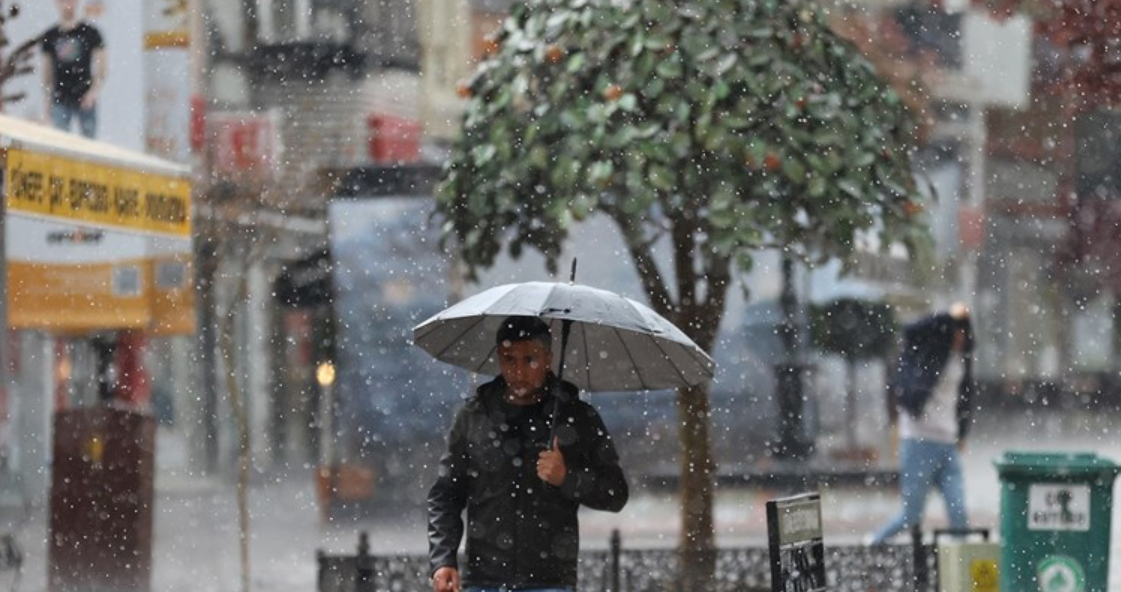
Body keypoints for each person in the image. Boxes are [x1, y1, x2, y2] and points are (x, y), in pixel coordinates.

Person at [428, 315, 629, 592]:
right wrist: (442, 559)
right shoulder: (474, 416)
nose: (519, 372)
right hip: (484, 580)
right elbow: (446, 495)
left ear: (548, 359)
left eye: (530, 360)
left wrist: (566, 477)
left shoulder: (577, 417)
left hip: (550, 581)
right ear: (499, 358)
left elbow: (615, 493)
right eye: (510, 360)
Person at [869, 303, 974, 545]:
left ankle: (962, 573)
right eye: (956, 332)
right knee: (911, 515)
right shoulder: (928, 351)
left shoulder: (963, 359)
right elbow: (910, 329)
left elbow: (966, 399)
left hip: (947, 443)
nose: (960, 337)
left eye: (963, 332)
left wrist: (963, 433)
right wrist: (948, 315)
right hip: (919, 441)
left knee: (958, 513)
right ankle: (872, 545)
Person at [41, 0, 106, 138]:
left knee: (89, 144)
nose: (67, 4)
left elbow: (102, 67)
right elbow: (47, 73)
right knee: (60, 144)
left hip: (85, 96)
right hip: (60, 97)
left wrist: (93, 92)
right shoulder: (50, 36)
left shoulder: (91, 33)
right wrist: (47, 101)